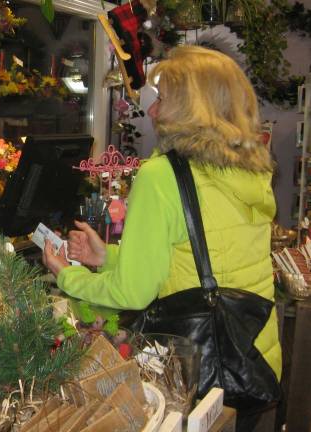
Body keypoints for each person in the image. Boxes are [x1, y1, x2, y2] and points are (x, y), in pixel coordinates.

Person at [42, 45, 280, 427]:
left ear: (192, 108)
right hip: (252, 359)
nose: (152, 111)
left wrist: (66, 274)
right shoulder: (249, 173)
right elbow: (205, 255)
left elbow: (133, 294)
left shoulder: (162, 176)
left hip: (200, 367)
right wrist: (109, 258)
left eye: (164, 99)